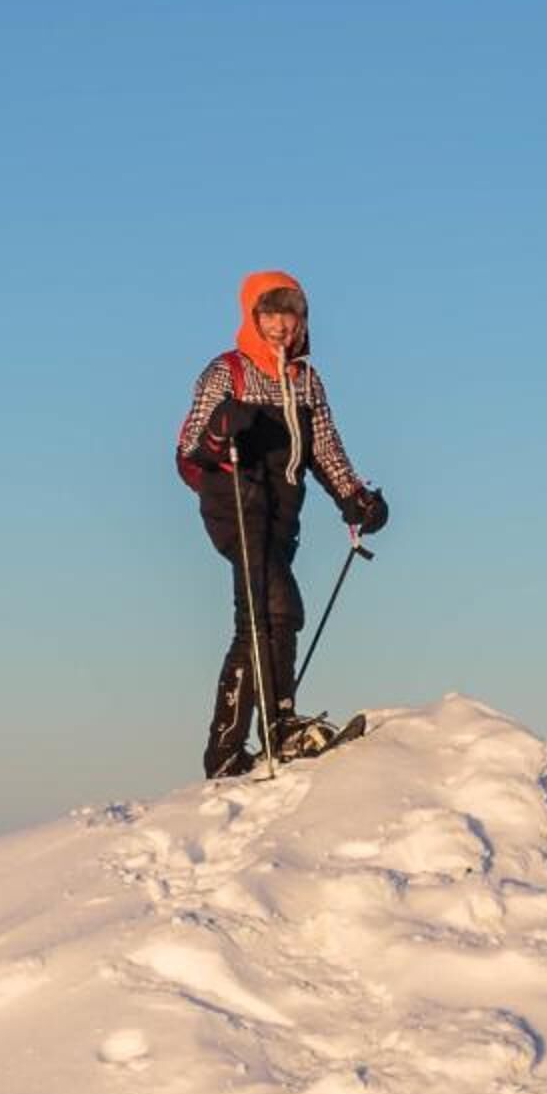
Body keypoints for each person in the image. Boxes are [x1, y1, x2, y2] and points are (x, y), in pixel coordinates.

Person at [174, 270, 388, 777]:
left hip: (282, 511)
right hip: (235, 500)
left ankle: (232, 748)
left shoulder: (305, 381)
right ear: (252, 317)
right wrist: (221, 429)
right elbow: (190, 449)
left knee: (265, 618)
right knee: (276, 606)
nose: (280, 325)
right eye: (270, 314)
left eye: (290, 314)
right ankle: (277, 730)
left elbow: (325, 448)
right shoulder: (228, 372)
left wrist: (355, 498)